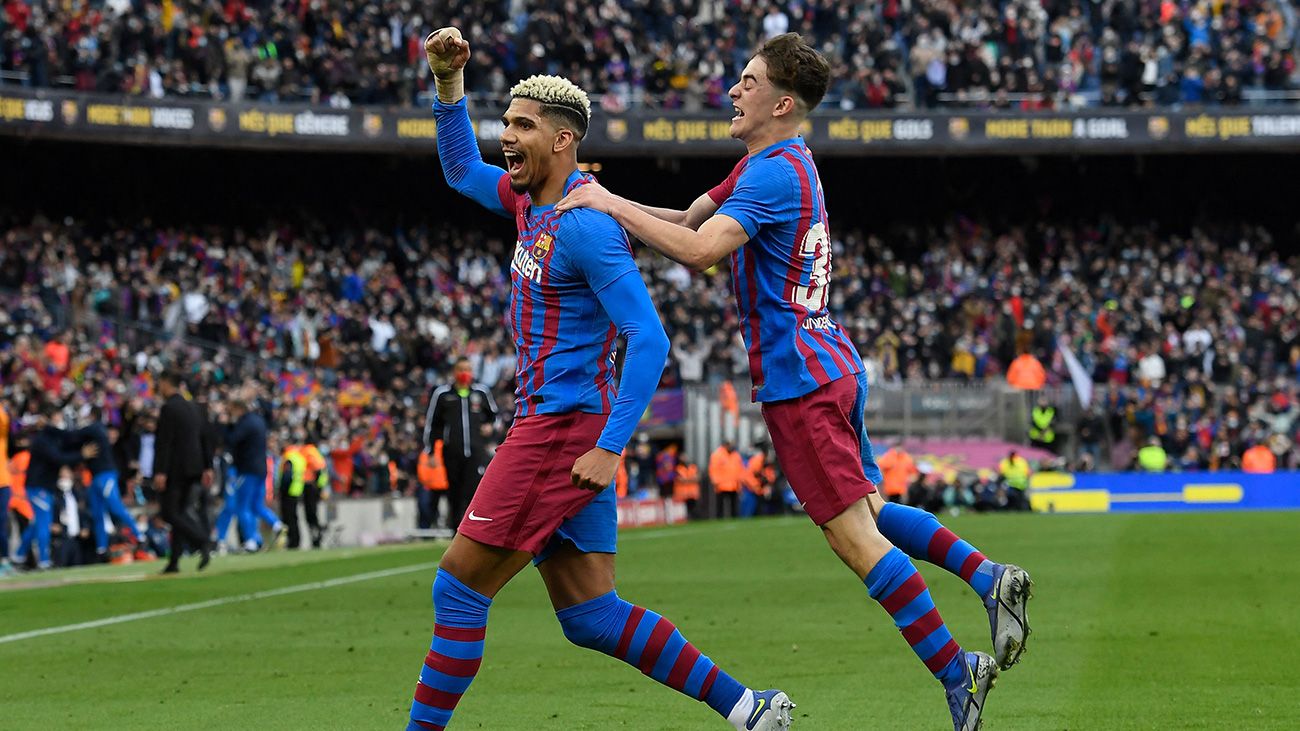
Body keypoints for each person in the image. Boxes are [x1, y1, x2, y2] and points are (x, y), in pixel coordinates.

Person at [558, 32, 1030, 728]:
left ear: (782, 102)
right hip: (829, 361)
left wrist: (607, 205)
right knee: (867, 513)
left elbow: (698, 252)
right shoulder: (777, 163)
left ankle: (957, 672)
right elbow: (687, 218)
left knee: (852, 539)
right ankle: (987, 577)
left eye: (747, 81)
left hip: (799, 381)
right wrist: (601, 199)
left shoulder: (770, 175)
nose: (732, 90)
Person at [405, 27, 792, 731]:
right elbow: (462, 170)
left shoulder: (585, 224)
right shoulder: (531, 201)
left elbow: (649, 338)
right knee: (591, 614)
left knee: (457, 591)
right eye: (506, 123)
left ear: (562, 141)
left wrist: (611, 445)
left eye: (522, 126)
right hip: (561, 425)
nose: (507, 137)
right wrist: (447, 84)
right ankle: (749, 709)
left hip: (561, 428)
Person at [13, 403, 98, 570]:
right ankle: (44, 560)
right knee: (44, 523)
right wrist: (81, 454)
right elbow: (58, 458)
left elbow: (66, 436)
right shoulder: (43, 440)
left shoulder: (51, 436)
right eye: (57, 417)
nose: (60, 421)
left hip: (42, 486)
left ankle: (18, 555)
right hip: (38, 487)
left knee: (37, 523)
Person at [422, 358, 499, 532]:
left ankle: (473, 530)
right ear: (454, 372)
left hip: (476, 450)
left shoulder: (481, 392)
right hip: (452, 451)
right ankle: (455, 530)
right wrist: (431, 451)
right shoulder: (442, 394)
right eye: (461, 369)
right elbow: (432, 424)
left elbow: (494, 416)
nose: (465, 373)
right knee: (454, 492)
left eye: (468, 369)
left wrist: (489, 427)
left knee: (474, 490)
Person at [153, 370, 213, 573]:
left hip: (175, 468)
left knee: (169, 513)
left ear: (166, 384)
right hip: (194, 467)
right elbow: (206, 438)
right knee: (179, 512)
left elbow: (164, 443)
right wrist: (208, 465)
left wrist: (160, 471)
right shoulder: (195, 407)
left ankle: (202, 541)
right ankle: (174, 561)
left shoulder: (169, 408)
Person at [71, 410, 141, 560]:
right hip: (96, 477)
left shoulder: (97, 430)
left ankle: (139, 535)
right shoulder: (89, 437)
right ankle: (101, 548)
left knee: (115, 508)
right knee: (97, 513)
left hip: (106, 475)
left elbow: (76, 435)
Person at [225, 398, 284, 551]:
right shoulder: (259, 421)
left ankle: (251, 539)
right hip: (261, 468)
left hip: (247, 469)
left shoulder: (245, 423)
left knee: (242, 506)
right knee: (256, 505)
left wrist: (228, 425)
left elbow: (232, 440)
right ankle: (276, 524)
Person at [708, 441, 744, 518]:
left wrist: (739, 483)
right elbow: (713, 469)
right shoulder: (717, 455)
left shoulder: (736, 455)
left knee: (734, 506)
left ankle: (734, 518)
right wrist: (715, 481)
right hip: (721, 485)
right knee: (720, 505)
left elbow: (740, 469)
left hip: (734, 485)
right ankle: (719, 519)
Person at [0, 401, 12, 575]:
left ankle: (4, 560)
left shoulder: (1, 438)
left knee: (1, 524)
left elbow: (3, 420)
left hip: (2, 484)